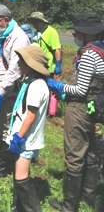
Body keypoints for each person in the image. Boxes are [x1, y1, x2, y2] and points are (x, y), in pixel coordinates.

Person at [47, 13, 104, 211]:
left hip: (79, 108)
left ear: (85, 34)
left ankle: (69, 205)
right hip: (93, 108)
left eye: (76, 32)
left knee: (74, 154)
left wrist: (58, 86)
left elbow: (80, 90)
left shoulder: (89, 55)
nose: (74, 35)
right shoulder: (101, 51)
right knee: (90, 154)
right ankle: (88, 198)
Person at [0, 4, 30, 178]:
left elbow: (15, 71)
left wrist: (0, 94)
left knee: (4, 129)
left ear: (5, 20)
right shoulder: (3, 36)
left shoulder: (19, 38)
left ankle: (1, 168)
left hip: (8, 93)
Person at [7, 44, 50, 212]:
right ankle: (19, 207)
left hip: (27, 138)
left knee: (21, 178)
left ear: (31, 64)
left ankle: (32, 209)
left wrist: (18, 138)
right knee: (19, 173)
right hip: (25, 136)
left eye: (22, 61)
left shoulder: (36, 86)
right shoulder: (30, 82)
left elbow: (30, 116)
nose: (18, 64)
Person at [28, 11, 62, 117]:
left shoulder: (51, 32)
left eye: (36, 21)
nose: (34, 24)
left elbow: (57, 49)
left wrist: (58, 65)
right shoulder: (36, 33)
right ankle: (41, 109)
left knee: (49, 89)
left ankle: (49, 111)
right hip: (38, 66)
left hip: (49, 67)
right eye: (33, 21)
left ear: (41, 21)